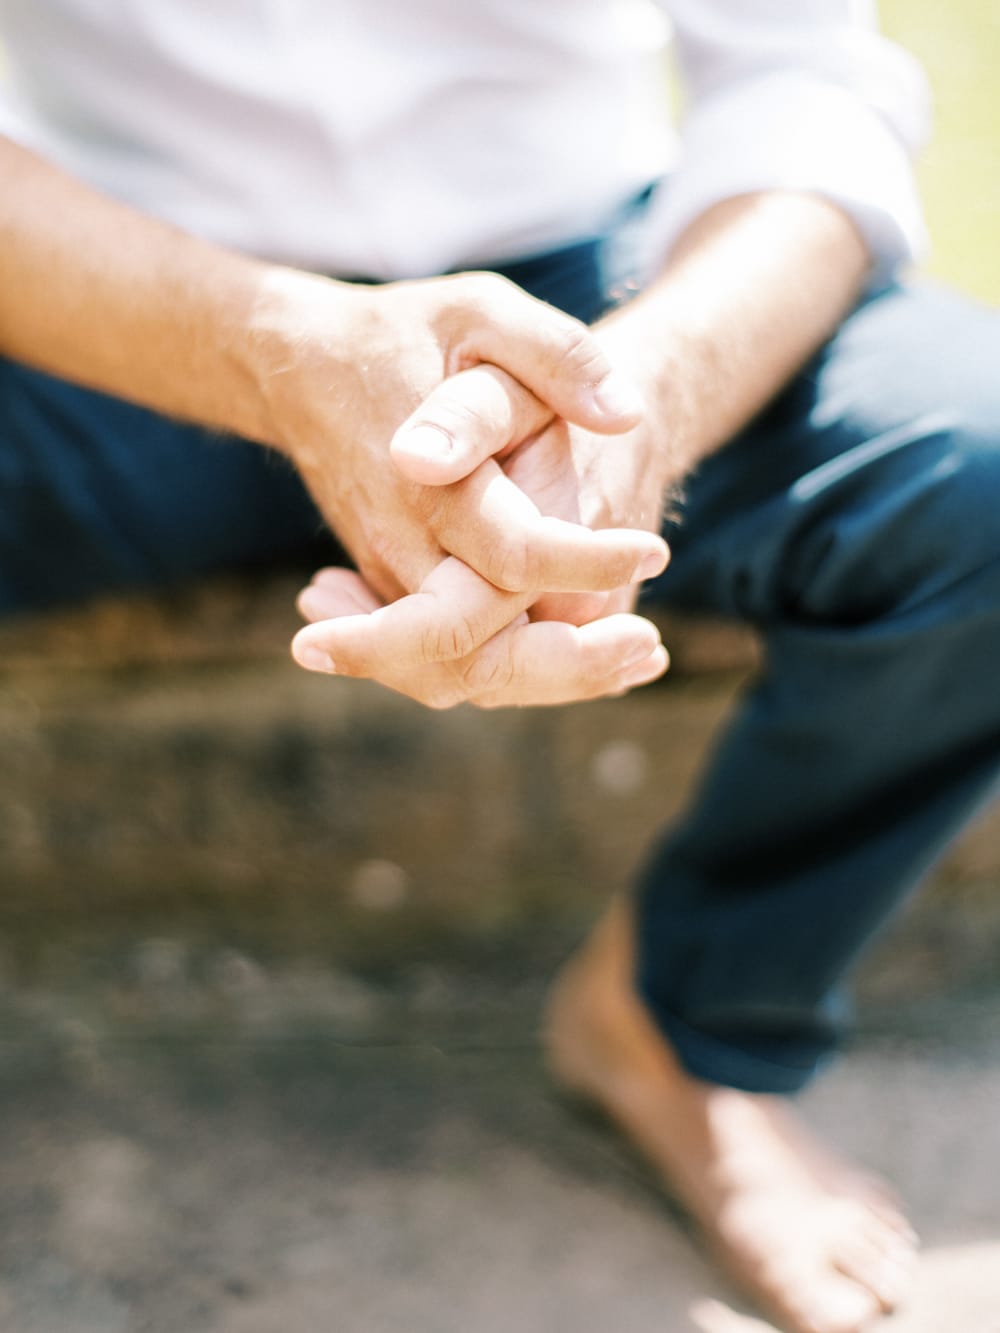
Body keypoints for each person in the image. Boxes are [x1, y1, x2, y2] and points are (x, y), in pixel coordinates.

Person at [1, 3, 996, 1330]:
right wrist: (272, 346)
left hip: (594, 284)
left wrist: (645, 395)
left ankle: (679, 1019)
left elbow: (807, 83)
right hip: (125, 292)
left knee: (972, 467)